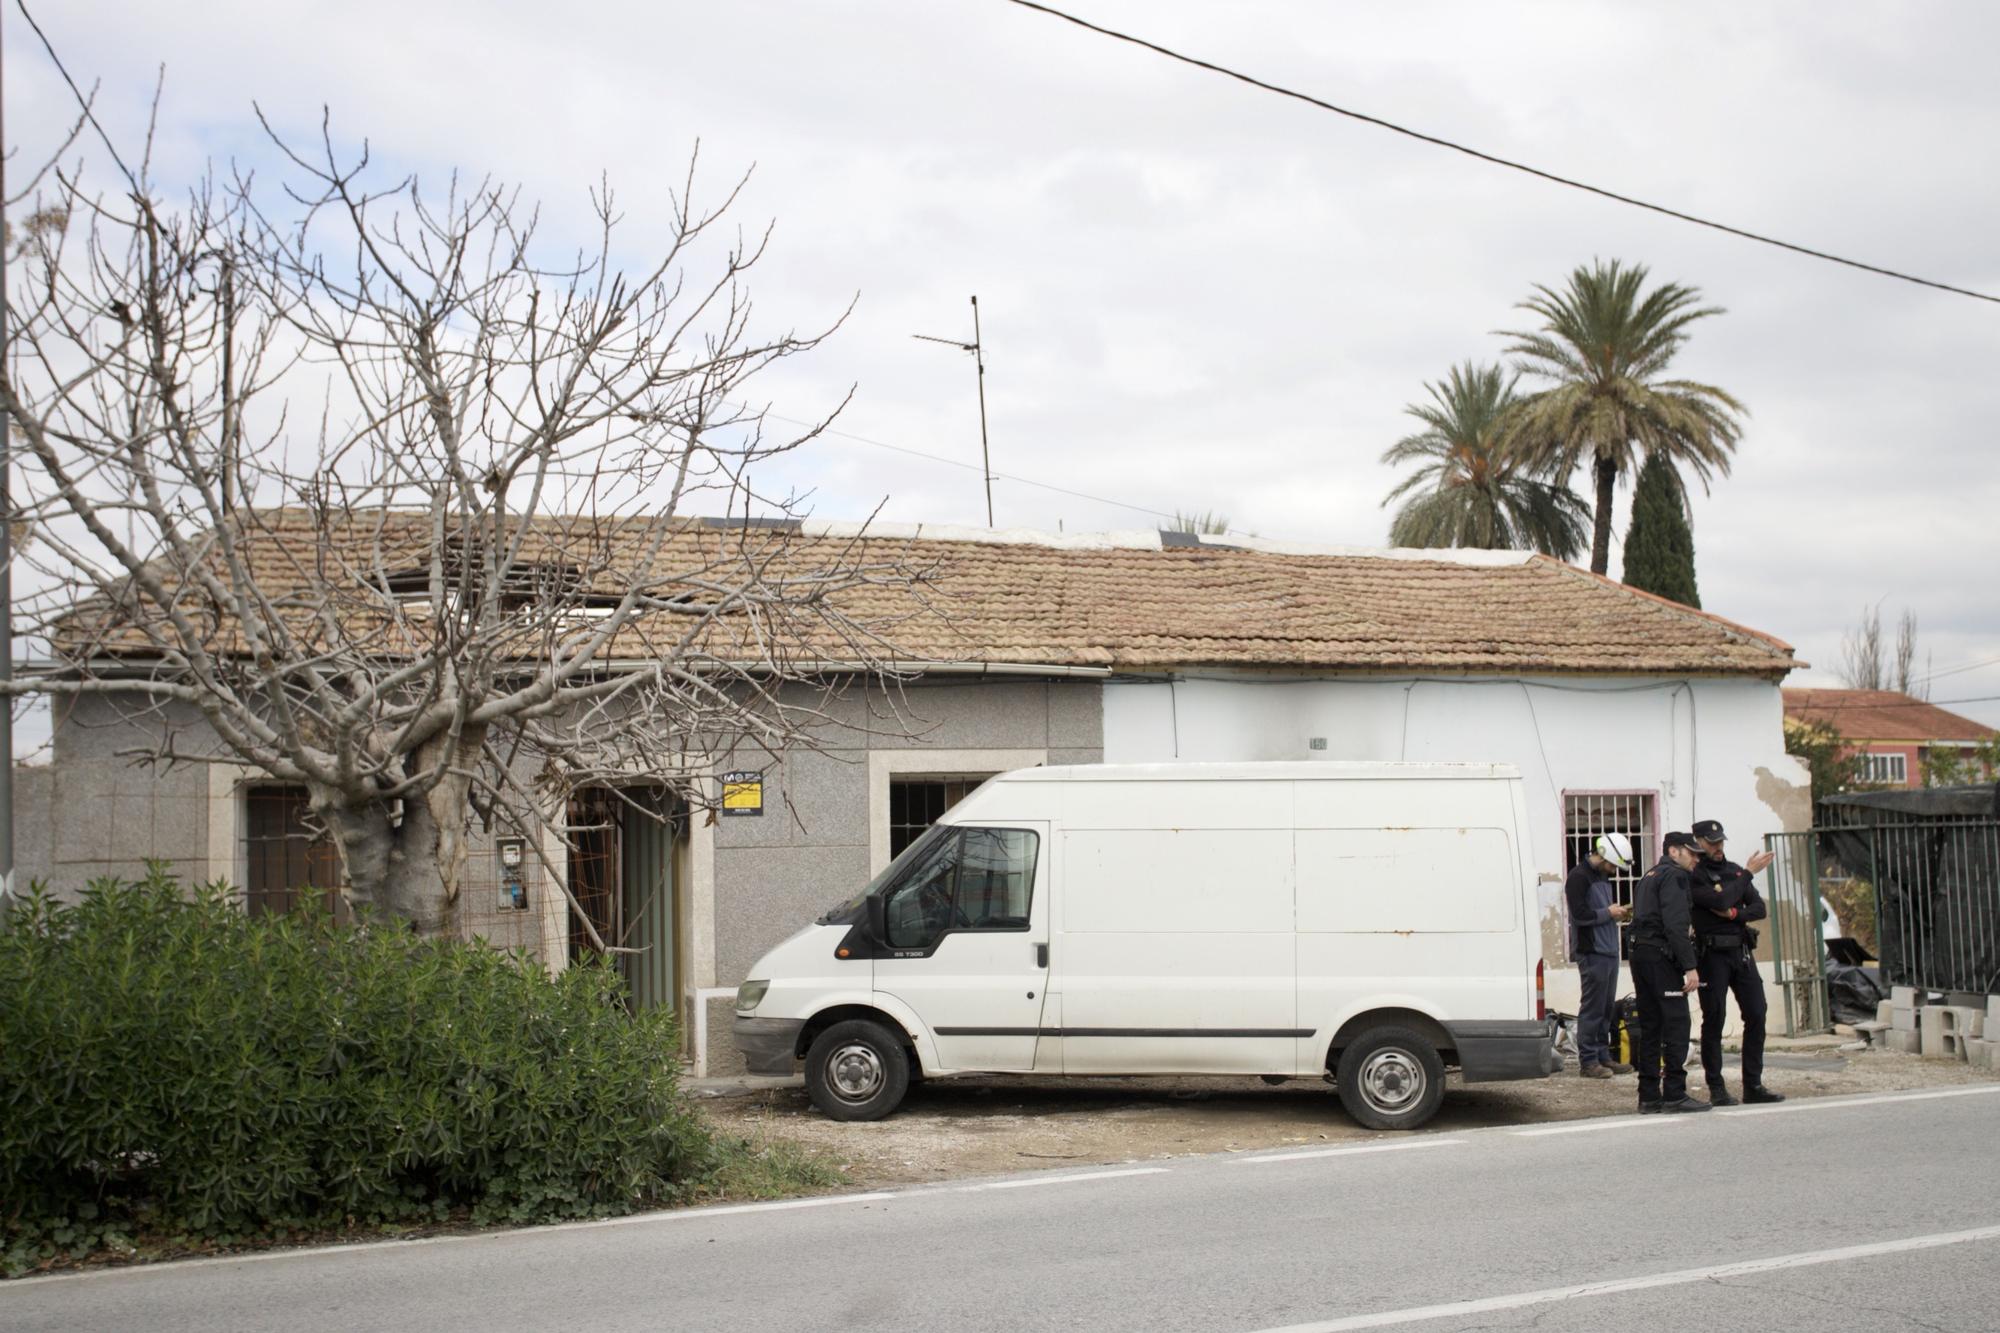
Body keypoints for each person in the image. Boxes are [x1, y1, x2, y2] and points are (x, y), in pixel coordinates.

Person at [1689, 818, 1785, 1106]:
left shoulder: (1734, 872)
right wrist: (1746, 877)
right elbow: (1720, 901)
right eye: (1711, 842)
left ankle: (1753, 1084)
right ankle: (1717, 1087)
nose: (1718, 847)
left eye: (1720, 842)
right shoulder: (1696, 875)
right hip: (1711, 956)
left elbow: (1759, 908)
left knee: (1757, 1013)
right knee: (1714, 1018)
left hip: (1741, 953)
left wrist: (1734, 915)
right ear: (1699, 843)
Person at [1625, 832, 1711, 1114]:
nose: (1697, 858)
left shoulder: (1649, 875)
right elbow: (1675, 926)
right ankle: (1674, 1092)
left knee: (1651, 1025)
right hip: (1660, 957)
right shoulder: (1674, 876)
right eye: (1692, 853)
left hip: (1641, 955)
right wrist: (1690, 967)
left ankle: (1648, 1095)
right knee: (1676, 1023)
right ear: (1674, 851)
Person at [1564, 833, 1634, 1078]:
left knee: (1605, 1007)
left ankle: (1604, 1056)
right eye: (1613, 865)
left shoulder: (1601, 876)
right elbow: (1581, 916)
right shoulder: (1578, 878)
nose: (1614, 870)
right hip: (1592, 951)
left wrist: (1616, 913)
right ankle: (1588, 1061)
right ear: (1604, 855)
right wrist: (1609, 912)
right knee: (1592, 1007)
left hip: (1609, 950)